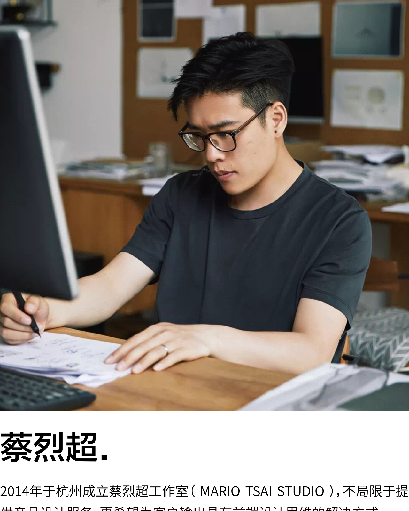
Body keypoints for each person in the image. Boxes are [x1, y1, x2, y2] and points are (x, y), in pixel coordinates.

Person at [0, 32, 372, 376]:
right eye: (199, 136)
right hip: (173, 389)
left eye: (225, 134)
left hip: (267, 400)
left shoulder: (339, 221)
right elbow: (110, 287)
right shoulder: (180, 195)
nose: (211, 154)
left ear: (275, 119)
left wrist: (207, 338)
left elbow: (312, 350)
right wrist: (46, 310)